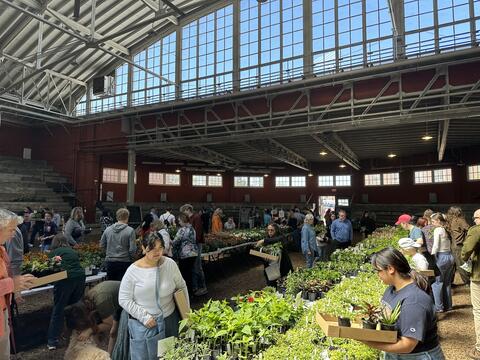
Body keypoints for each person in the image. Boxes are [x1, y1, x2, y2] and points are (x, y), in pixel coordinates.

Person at [362, 247, 445, 359]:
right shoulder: (391, 289)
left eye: (378, 271)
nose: (378, 275)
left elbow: (407, 345)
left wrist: (367, 342)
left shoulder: (414, 301)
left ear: (391, 269)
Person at [119, 233, 188, 360]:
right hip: (146, 325)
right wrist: (143, 317)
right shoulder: (133, 271)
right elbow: (123, 299)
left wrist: (186, 312)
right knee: (148, 356)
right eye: (152, 248)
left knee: (169, 355)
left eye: (160, 248)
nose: (157, 252)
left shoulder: (170, 264)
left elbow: (182, 287)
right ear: (144, 248)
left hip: (169, 320)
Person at [0, 209, 36, 359]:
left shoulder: (2, 249)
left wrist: (17, 284)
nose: (14, 233)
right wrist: (12, 284)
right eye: (11, 229)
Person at [47, 234, 86, 350]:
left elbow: (50, 268)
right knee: (75, 307)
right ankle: (75, 335)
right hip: (80, 277)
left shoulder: (55, 252)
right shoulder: (72, 251)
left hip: (65, 279)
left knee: (58, 309)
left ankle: (52, 341)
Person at [82, 281, 122, 354]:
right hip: (117, 300)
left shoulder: (101, 303)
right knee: (113, 332)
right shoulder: (89, 300)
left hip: (129, 300)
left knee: (117, 331)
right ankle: (109, 356)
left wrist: (89, 331)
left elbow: (109, 325)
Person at [462, 208, 480, 360]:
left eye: (475, 218)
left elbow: (466, 250)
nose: (474, 221)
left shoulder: (476, 230)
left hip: (479, 276)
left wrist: (464, 257)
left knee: (479, 311)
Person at [100, 208, 136, 281]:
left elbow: (102, 245)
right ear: (127, 217)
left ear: (116, 217)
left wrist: (108, 253)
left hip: (110, 261)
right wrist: (132, 258)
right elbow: (132, 249)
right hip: (124, 262)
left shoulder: (108, 229)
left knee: (110, 285)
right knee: (122, 285)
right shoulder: (130, 230)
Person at [179, 204, 207, 296]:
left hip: (196, 245)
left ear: (188, 209)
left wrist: (190, 243)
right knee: (194, 266)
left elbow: (198, 233)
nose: (183, 214)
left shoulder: (196, 217)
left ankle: (203, 287)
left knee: (197, 266)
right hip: (193, 245)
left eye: (184, 211)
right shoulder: (193, 218)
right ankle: (195, 288)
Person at [430, 212, 455, 313]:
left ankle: (439, 307)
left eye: (433, 221)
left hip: (441, 257)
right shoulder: (447, 229)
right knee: (447, 283)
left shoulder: (438, 230)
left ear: (438, 221)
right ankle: (448, 306)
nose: (432, 223)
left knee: (437, 283)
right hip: (450, 256)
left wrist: (432, 256)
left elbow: (436, 245)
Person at [172, 213, 198, 294]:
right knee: (190, 273)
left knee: (184, 275)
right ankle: (191, 292)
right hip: (193, 253)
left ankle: (186, 294)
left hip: (185, 254)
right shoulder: (192, 229)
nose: (179, 222)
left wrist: (171, 241)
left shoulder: (182, 230)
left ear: (183, 220)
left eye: (179, 221)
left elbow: (176, 241)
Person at [446, 206, 470, 285]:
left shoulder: (450, 220)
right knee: (462, 264)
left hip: (453, 245)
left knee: (457, 264)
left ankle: (451, 282)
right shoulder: (459, 220)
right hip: (460, 245)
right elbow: (468, 228)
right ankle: (468, 282)